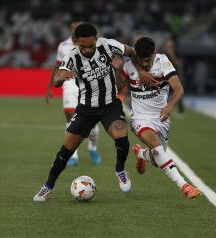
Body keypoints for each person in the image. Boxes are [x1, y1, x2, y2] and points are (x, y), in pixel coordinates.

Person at [34, 22, 149, 202]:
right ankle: (47, 186)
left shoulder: (108, 44)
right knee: (65, 152)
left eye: (90, 45)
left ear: (96, 39)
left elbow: (132, 51)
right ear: (76, 42)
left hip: (110, 105)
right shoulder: (71, 57)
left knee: (121, 135)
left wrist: (140, 71)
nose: (87, 50)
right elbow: (58, 78)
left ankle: (120, 170)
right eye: (83, 46)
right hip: (86, 109)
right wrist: (59, 78)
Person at [116, 37, 201, 199]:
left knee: (157, 160)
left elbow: (179, 89)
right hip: (140, 119)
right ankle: (185, 186)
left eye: (148, 60)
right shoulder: (129, 66)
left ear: (154, 53)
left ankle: (141, 154)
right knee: (156, 147)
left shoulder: (163, 62)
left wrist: (169, 107)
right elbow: (117, 87)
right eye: (141, 61)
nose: (145, 64)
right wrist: (117, 70)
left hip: (161, 118)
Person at [45, 18, 101, 166]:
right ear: (71, 29)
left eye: (79, 26)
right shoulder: (63, 46)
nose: (76, 29)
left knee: (93, 123)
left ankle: (92, 148)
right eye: (74, 27)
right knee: (71, 118)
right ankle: (73, 155)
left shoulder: (93, 44)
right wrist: (49, 87)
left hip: (89, 85)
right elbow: (57, 68)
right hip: (70, 85)